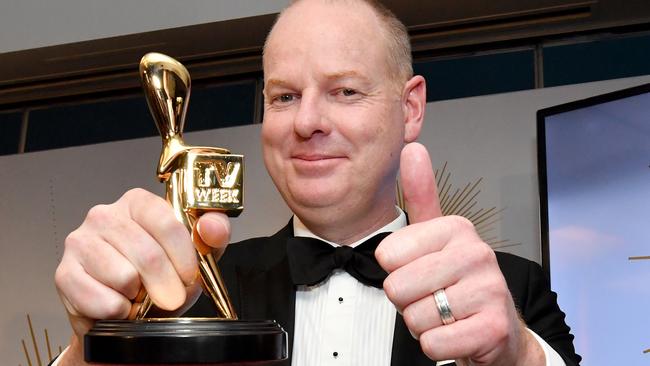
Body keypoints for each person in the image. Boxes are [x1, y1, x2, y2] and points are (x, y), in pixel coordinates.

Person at [52, 0, 580, 365]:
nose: (306, 121)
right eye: (284, 96)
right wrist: (87, 349)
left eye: (345, 91)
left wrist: (518, 355)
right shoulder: (185, 296)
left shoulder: (513, 292)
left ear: (410, 107)